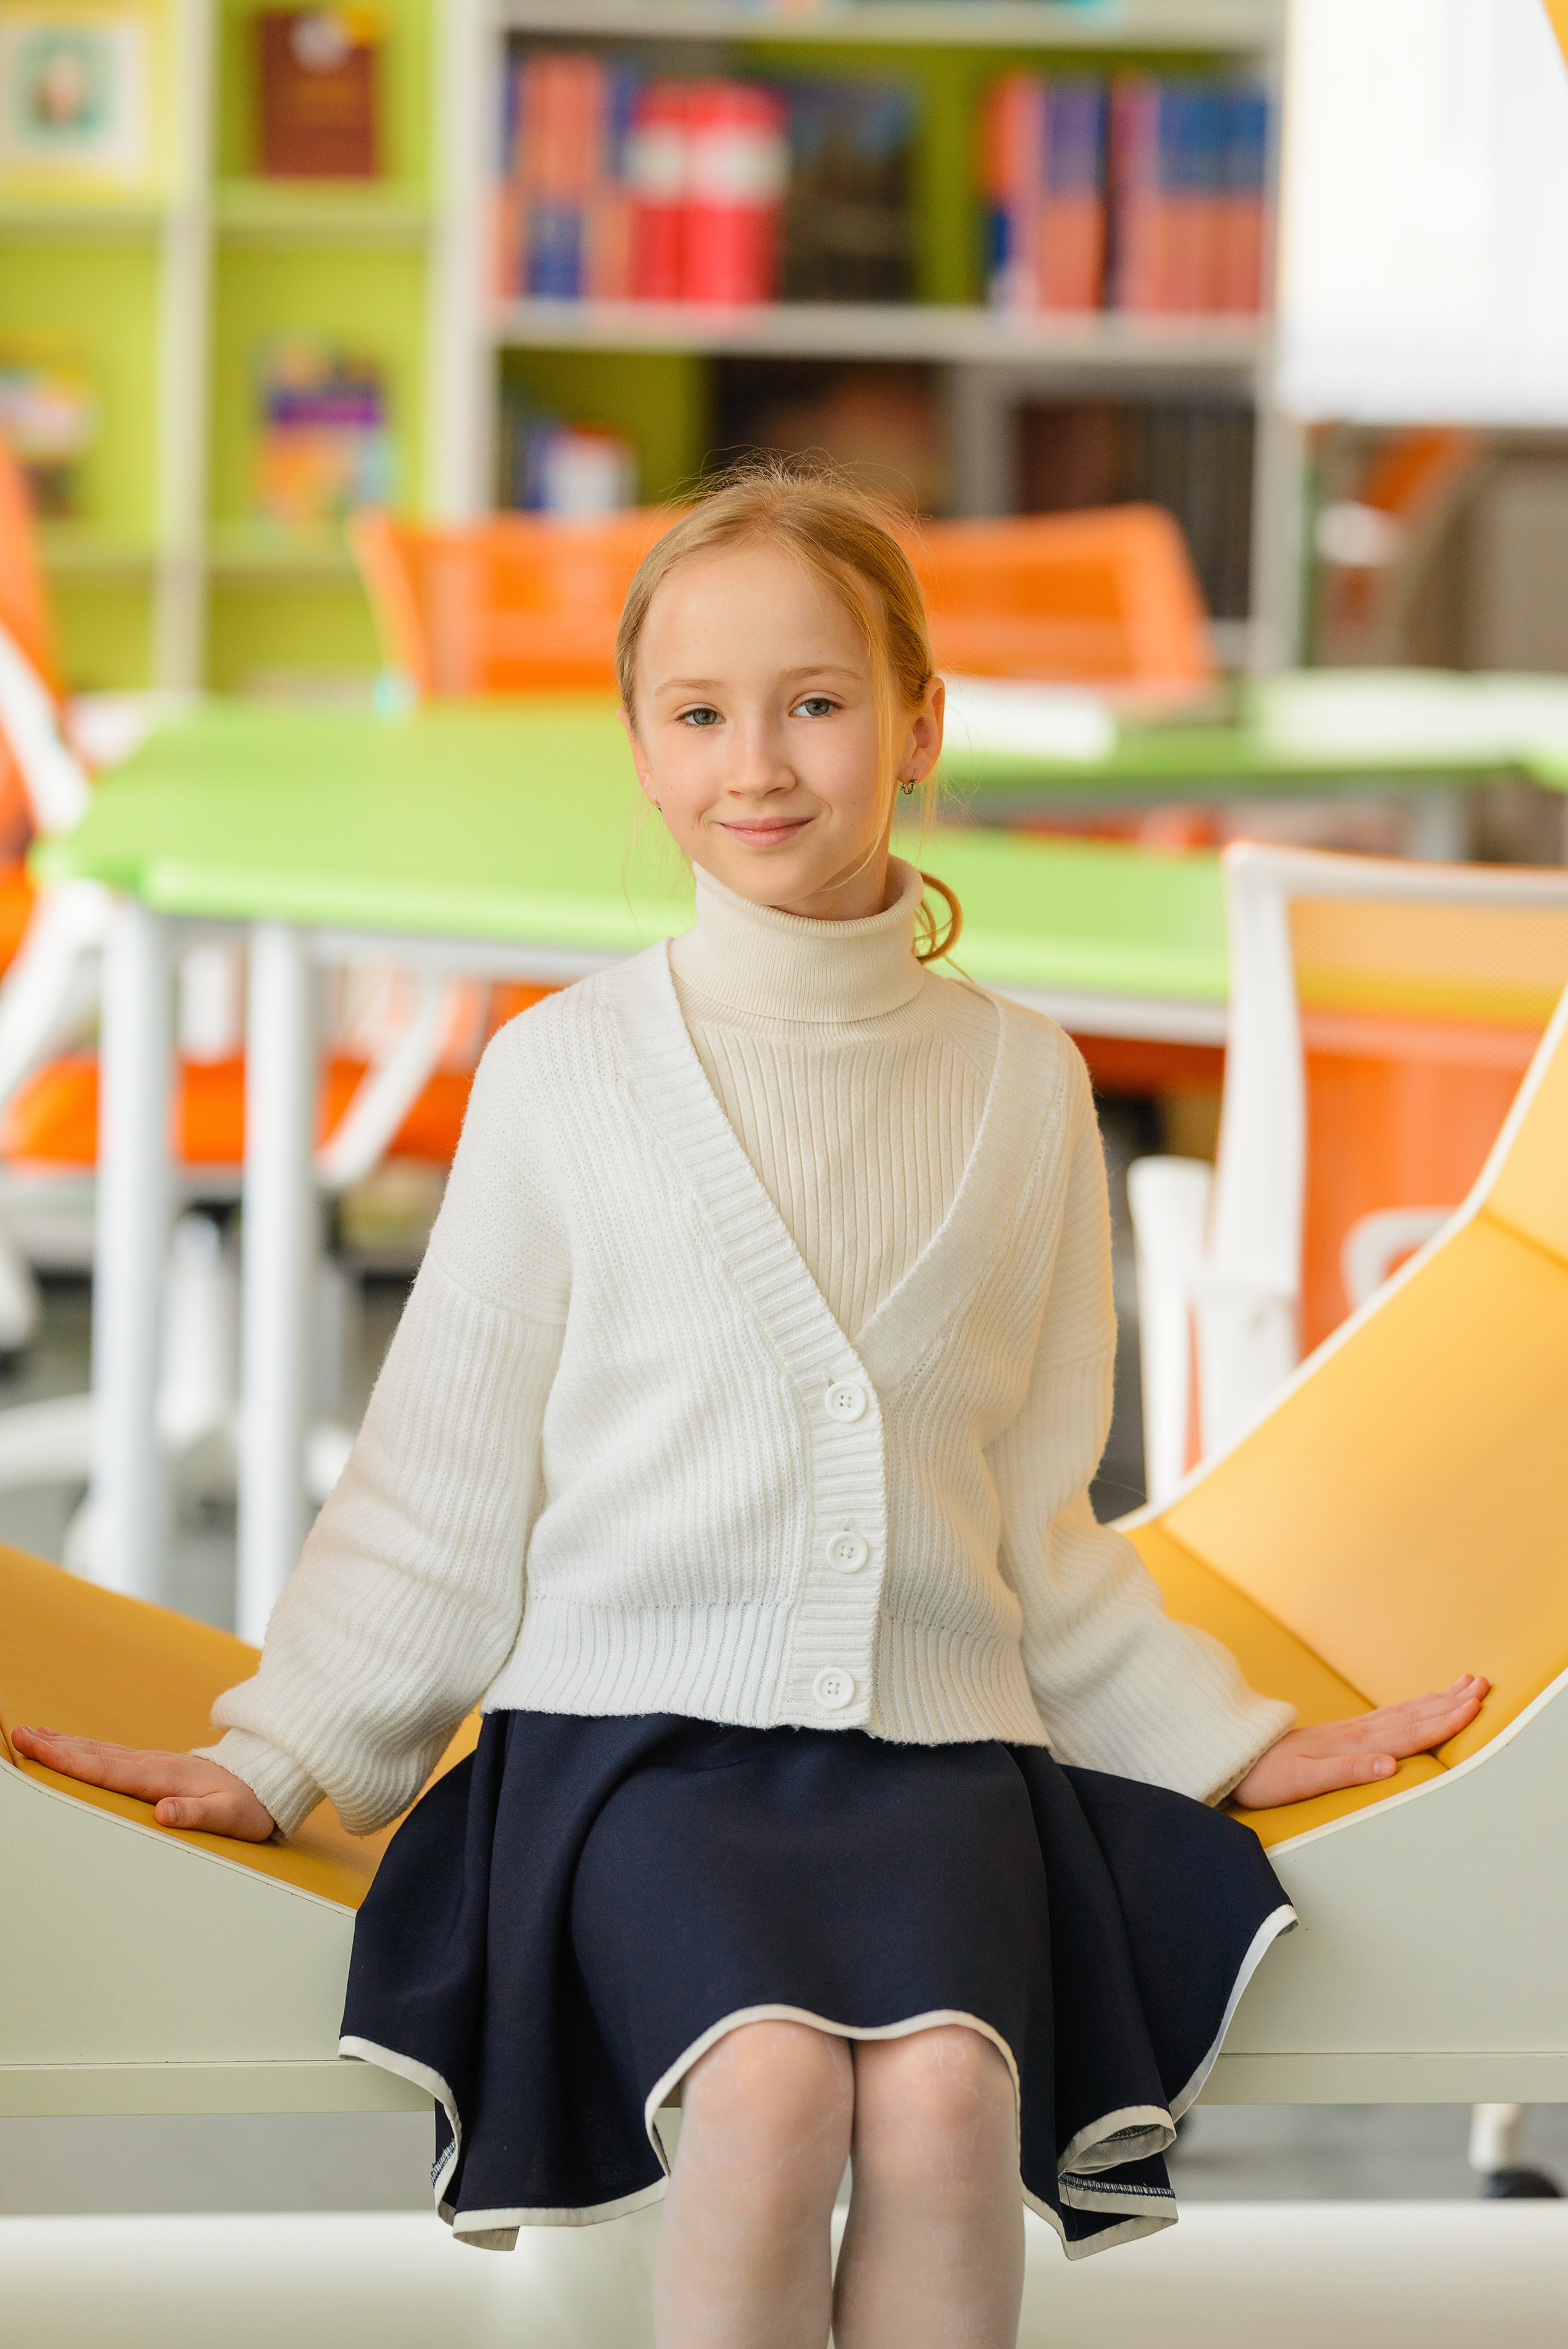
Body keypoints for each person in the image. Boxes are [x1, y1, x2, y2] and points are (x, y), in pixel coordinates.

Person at [15, 463, 1488, 2349]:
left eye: (817, 700)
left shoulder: (1028, 1090)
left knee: (956, 2105)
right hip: (636, 1747)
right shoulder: (563, 1077)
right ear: (637, 750)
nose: (760, 760)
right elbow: (440, 1476)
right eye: (700, 713)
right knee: (775, 2086)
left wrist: (1228, 1740)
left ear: (918, 723)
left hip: (932, 1746)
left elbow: (1039, 1509)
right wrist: (283, 1746)